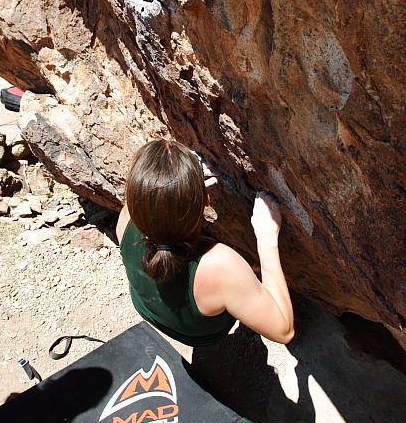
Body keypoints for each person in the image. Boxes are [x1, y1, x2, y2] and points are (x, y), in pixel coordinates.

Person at [116, 139, 295, 347]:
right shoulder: (220, 266)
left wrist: (178, 184)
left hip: (150, 309)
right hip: (201, 333)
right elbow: (284, 332)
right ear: (207, 201)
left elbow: (154, 200)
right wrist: (267, 238)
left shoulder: (128, 216)